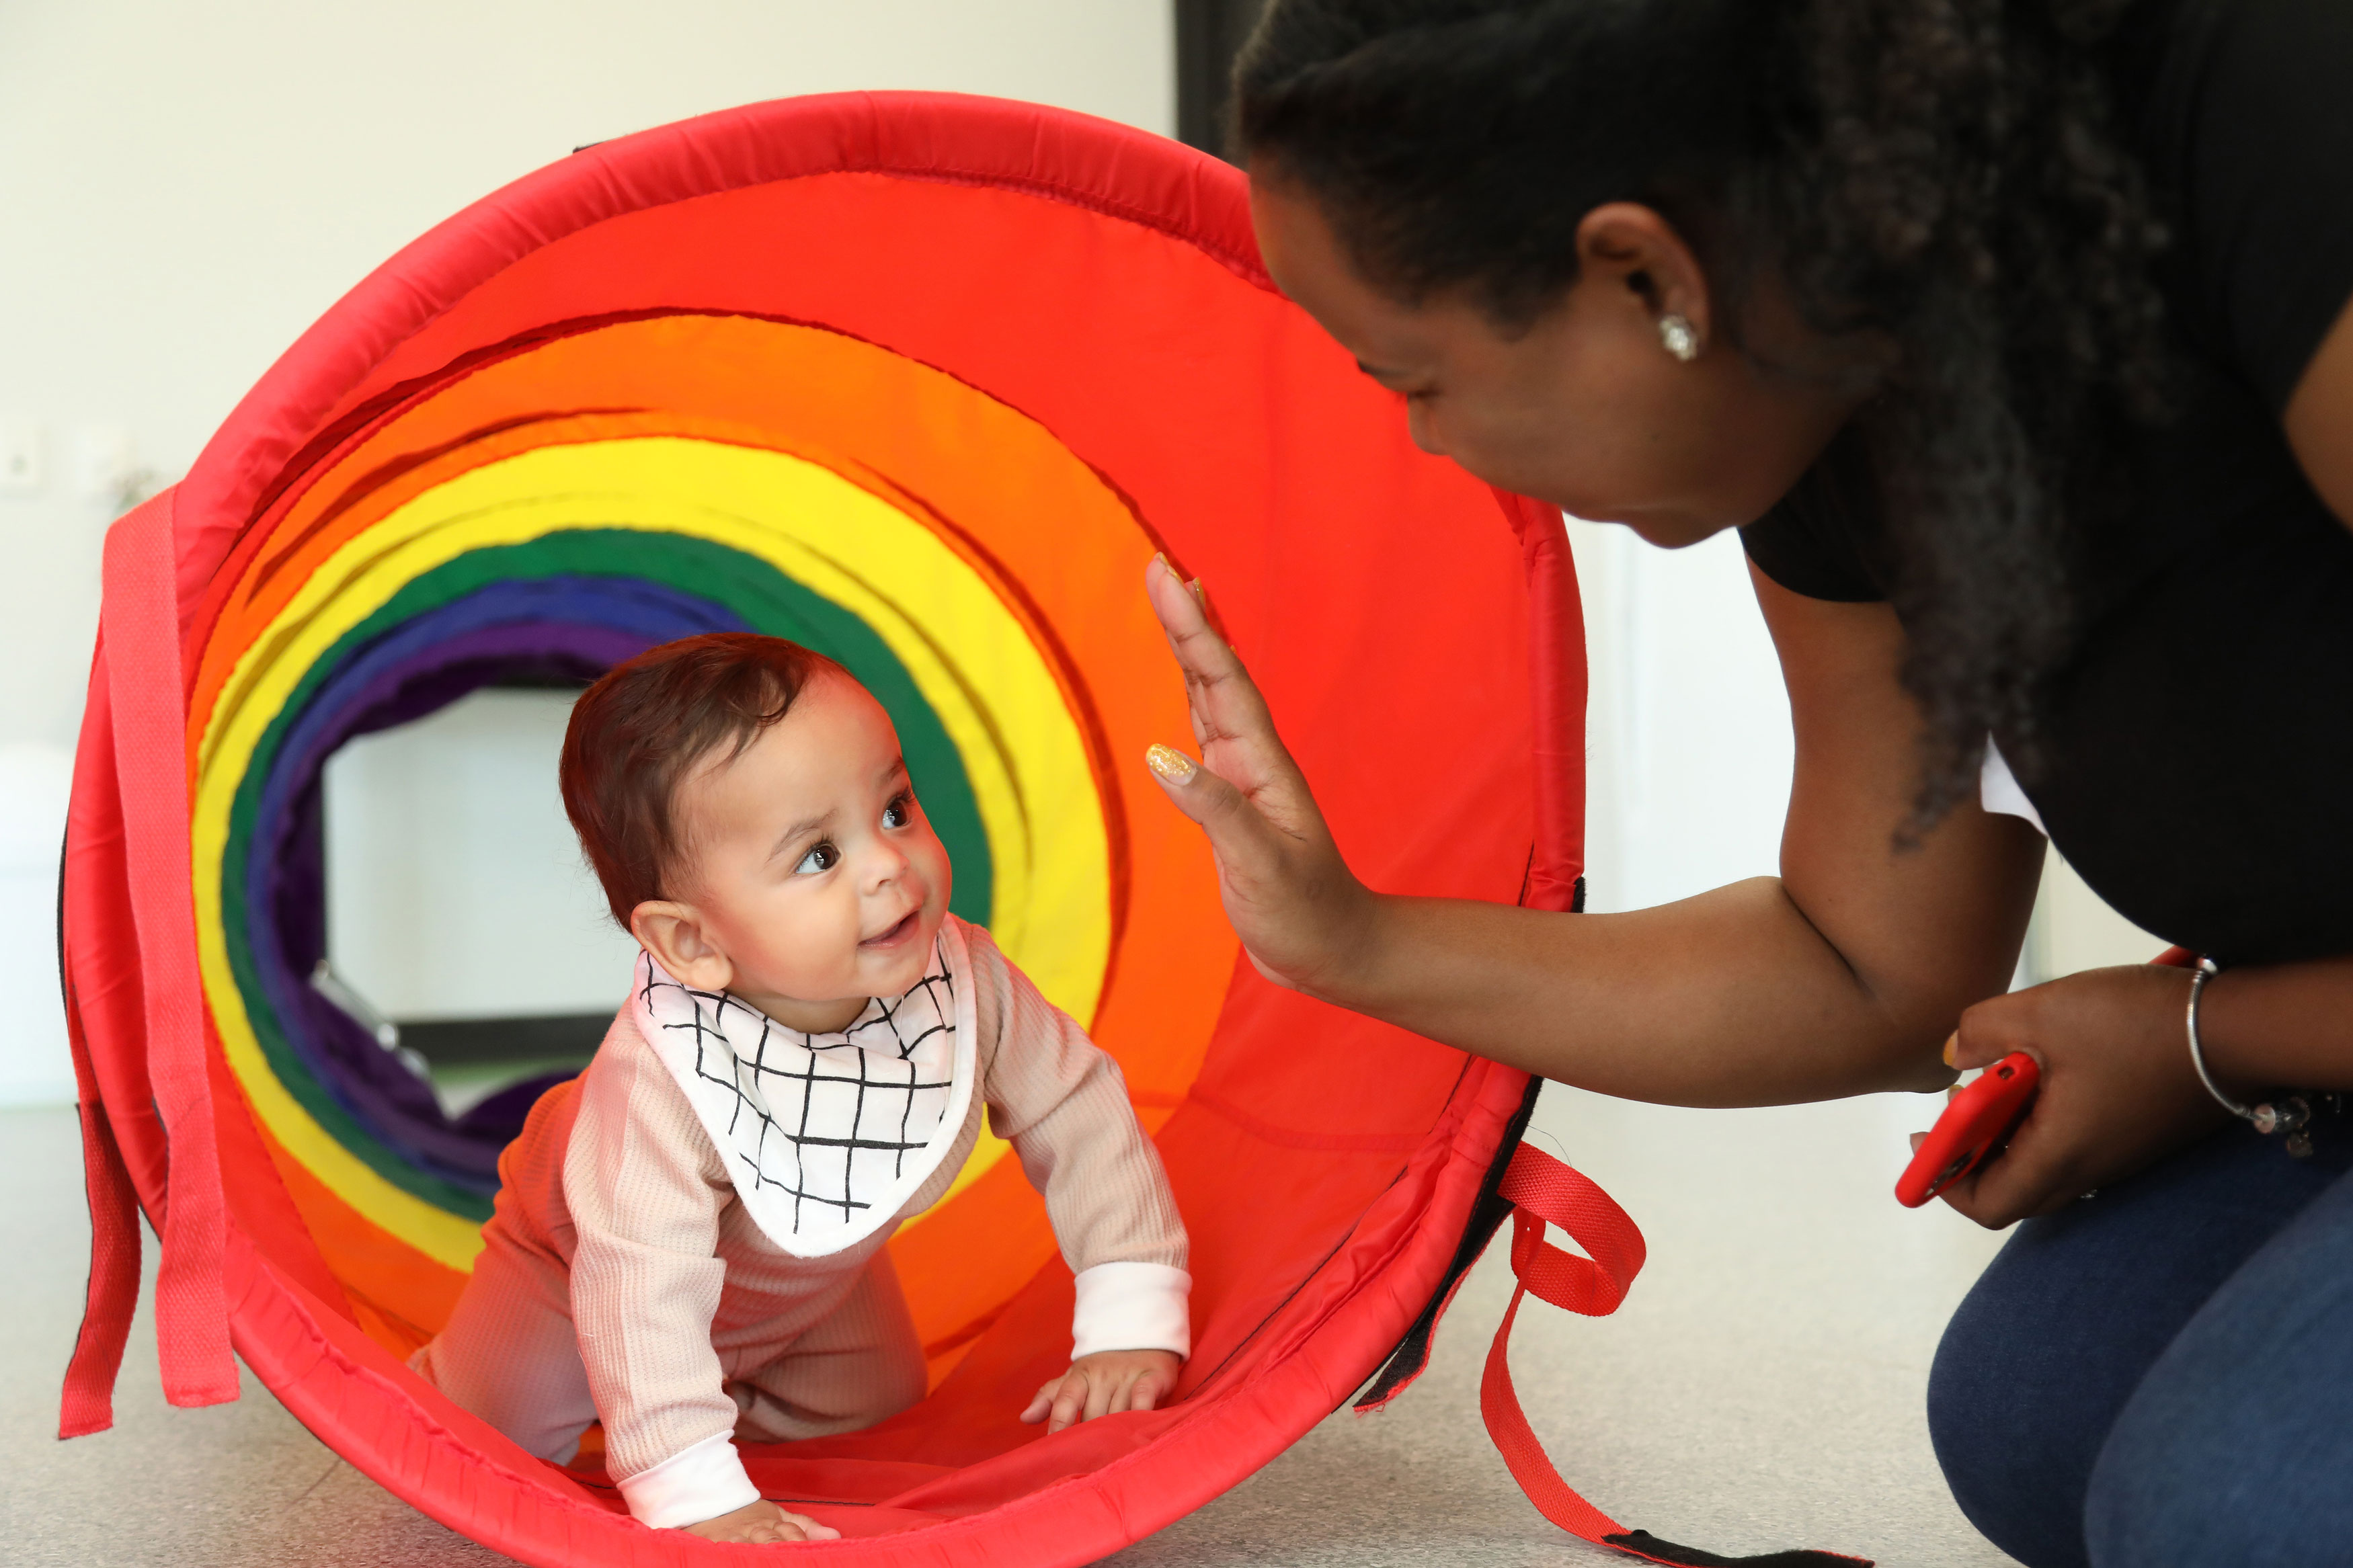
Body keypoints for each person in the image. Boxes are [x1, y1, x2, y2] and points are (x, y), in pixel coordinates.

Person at [1135, 3, 2353, 1565]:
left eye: (1414, 378)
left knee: (2229, 1511)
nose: (1424, 445)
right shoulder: (1834, 404)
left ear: (1646, 274)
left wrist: (2205, 1040)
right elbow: (1868, 965)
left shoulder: (2265, 125)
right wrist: (1347, 939)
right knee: (2030, 1415)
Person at [413, 634, 1190, 1545]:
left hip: (809, 1283)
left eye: (895, 808)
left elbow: (1080, 1109)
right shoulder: (659, 1087)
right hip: (576, 1272)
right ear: (695, 943)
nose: (887, 864)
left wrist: (1129, 1318)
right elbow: (640, 1285)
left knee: (879, 1425)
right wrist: (701, 1498)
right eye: (819, 856)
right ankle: (518, 1401)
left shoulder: (963, 981)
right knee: (481, 1442)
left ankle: (733, 1411)